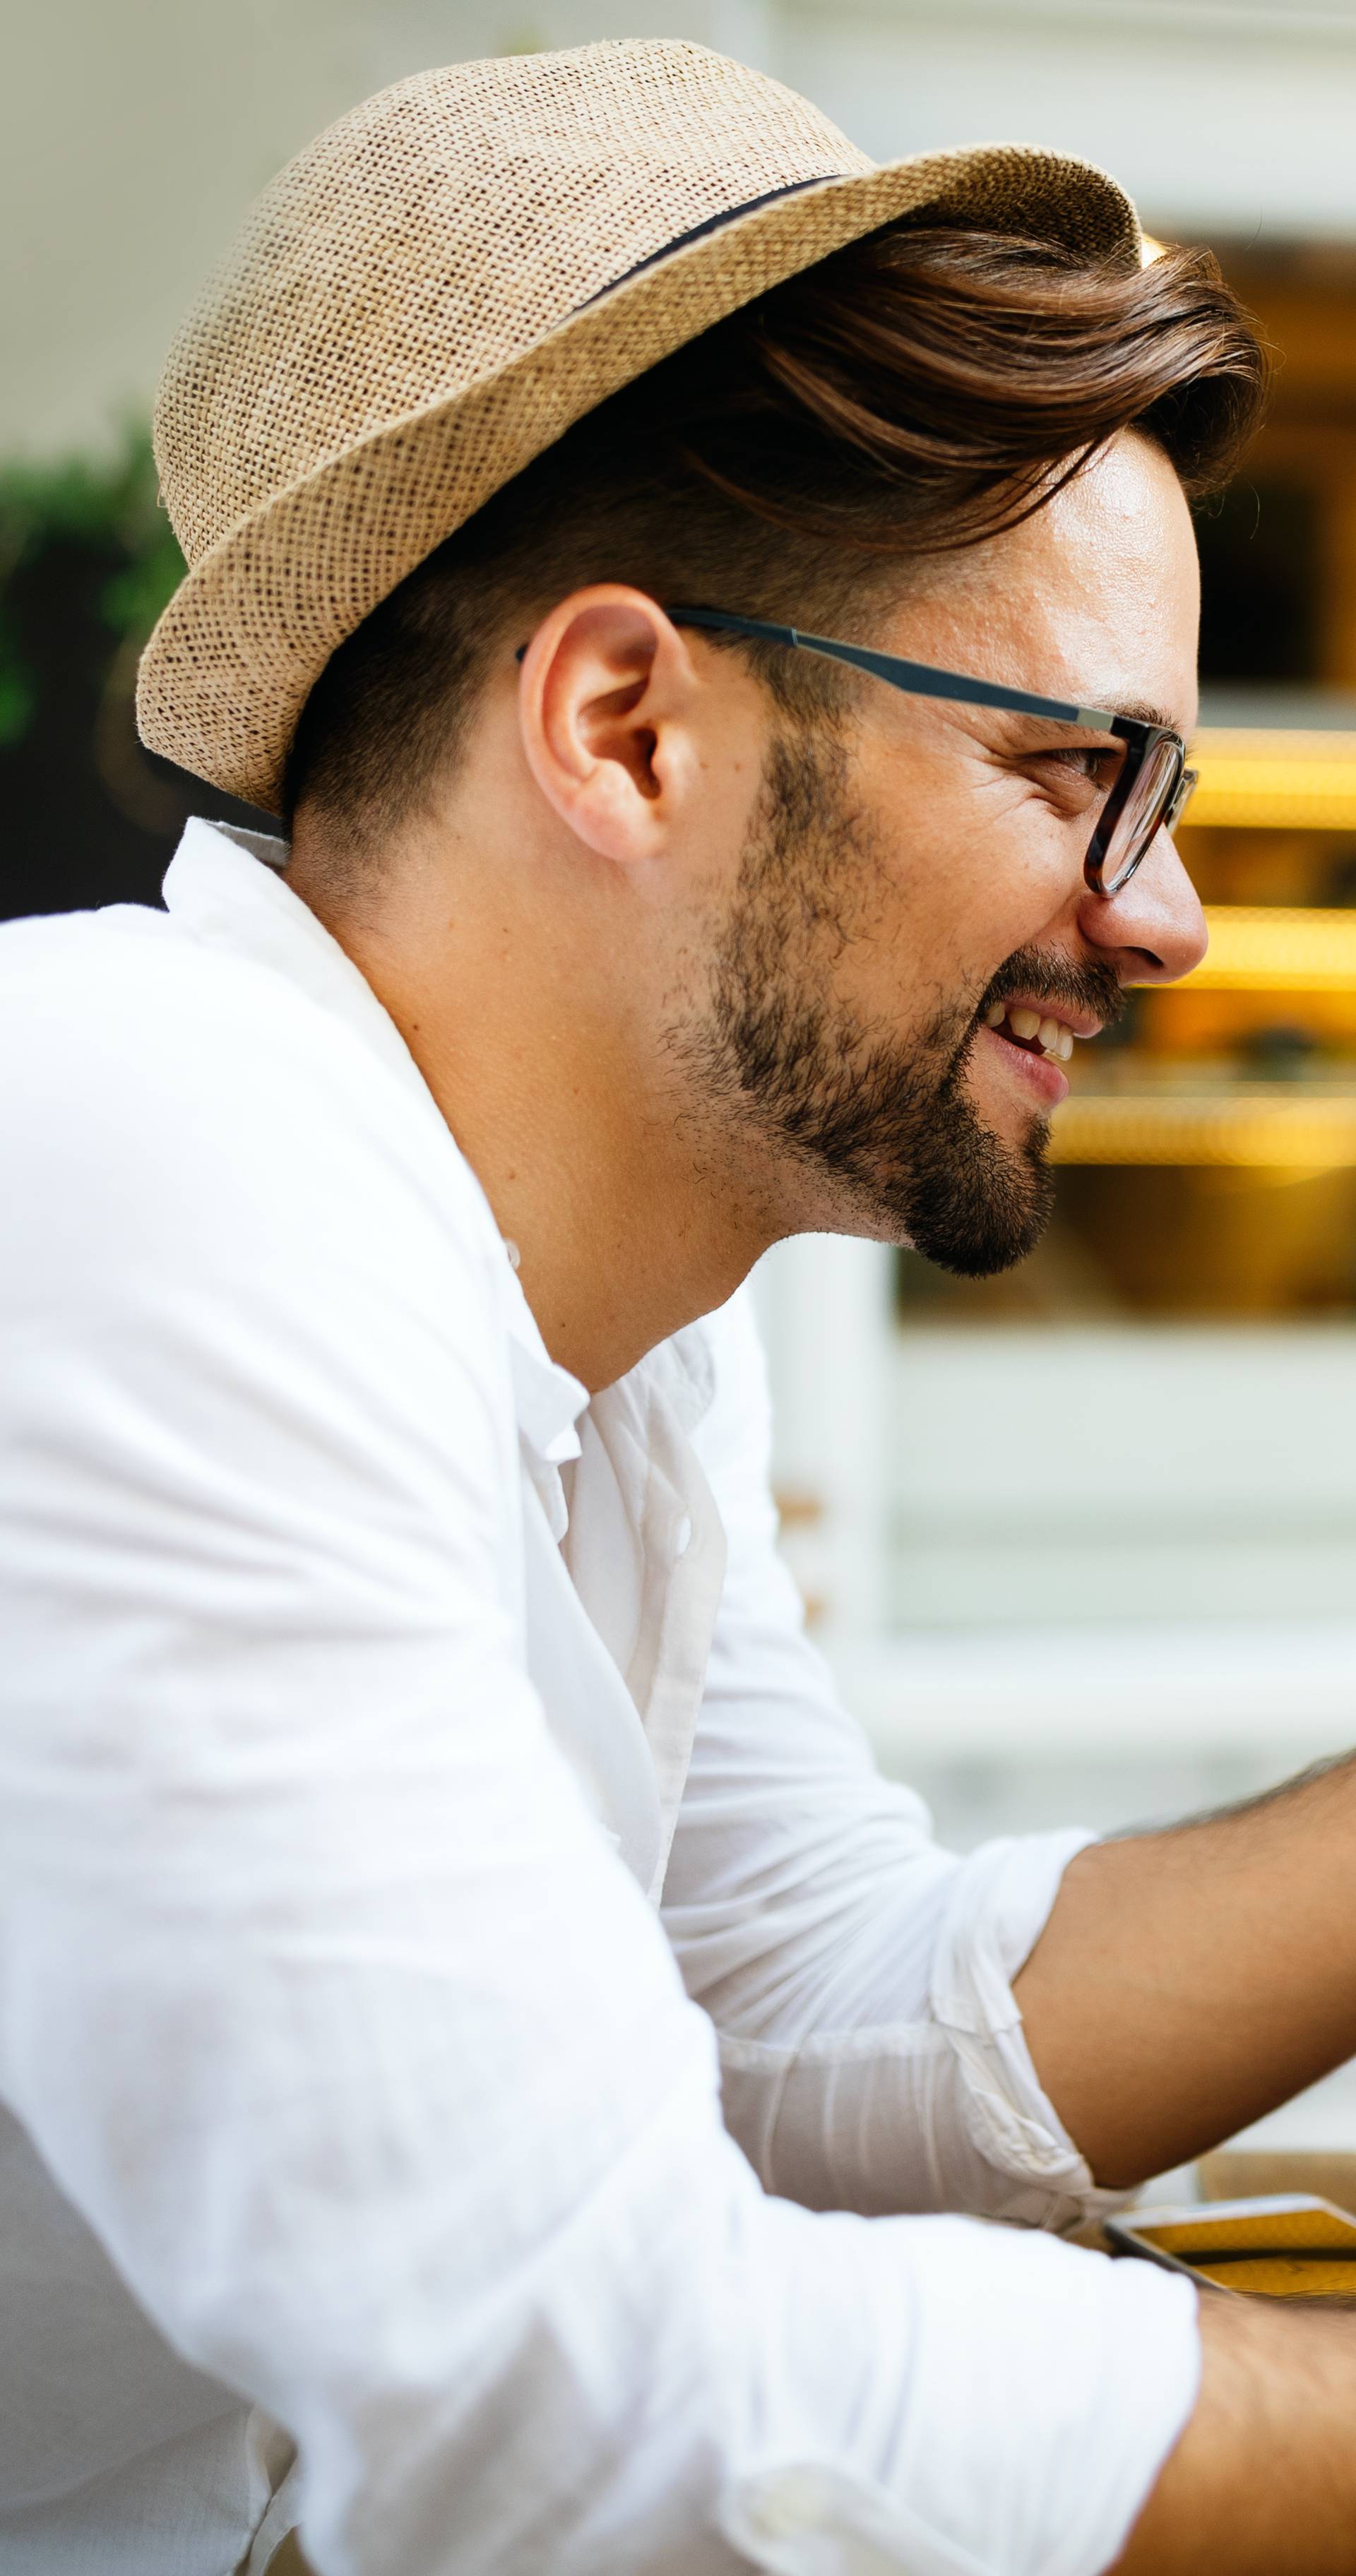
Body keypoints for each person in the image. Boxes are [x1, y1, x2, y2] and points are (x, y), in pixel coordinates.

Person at [2, 35, 1354, 2576]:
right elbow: (599, 2406)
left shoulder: (608, 1344)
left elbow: (791, 2022)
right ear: (628, 725)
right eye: (1085, 775)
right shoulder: (123, 1152)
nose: (1167, 918)